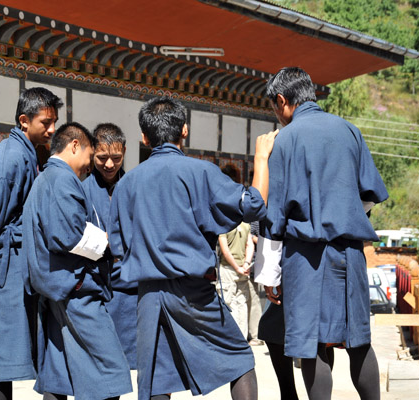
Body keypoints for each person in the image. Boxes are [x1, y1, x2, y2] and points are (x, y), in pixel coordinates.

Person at [109, 96, 278, 400]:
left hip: (147, 293)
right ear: (184, 130)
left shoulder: (126, 184)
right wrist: (262, 158)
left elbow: (117, 245)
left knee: (156, 380)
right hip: (192, 291)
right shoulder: (201, 172)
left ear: (144, 138)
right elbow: (254, 206)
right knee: (238, 358)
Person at [255, 67, 388, 400]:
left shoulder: (285, 139)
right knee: (358, 342)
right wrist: (340, 211)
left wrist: (269, 274)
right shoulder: (349, 131)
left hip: (306, 256)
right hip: (350, 253)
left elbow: (275, 214)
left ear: (282, 101)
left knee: (313, 344)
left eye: (274, 107)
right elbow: (369, 194)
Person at [22, 122, 132, 400]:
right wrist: (110, 242)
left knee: (59, 376)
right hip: (77, 290)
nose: (92, 166)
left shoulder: (46, 177)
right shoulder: (63, 179)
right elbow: (68, 236)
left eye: (115, 158)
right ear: (75, 146)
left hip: (57, 287)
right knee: (109, 371)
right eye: (92, 156)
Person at [0, 87, 63, 400]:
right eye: (45, 122)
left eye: (54, 122)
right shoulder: (9, 153)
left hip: (20, 262)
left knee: (9, 349)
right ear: (24, 120)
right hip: (6, 261)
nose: (51, 129)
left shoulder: (28, 152)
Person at [81, 123, 137, 369]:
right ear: (92, 152)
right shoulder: (81, 190)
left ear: (124, 151)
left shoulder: (135, 186)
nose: (110, 165)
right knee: (101, 367)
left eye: (116, 157)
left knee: (132, 365)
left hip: (131, 289)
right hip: (97, 286)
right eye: (102, 158)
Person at [217, 165, 259, 341]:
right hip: (242, 267)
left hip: (228, 268)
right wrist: (246, 265)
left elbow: (224, 248)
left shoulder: (223, 220)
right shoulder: (245, 221)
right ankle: (242, 342)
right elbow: (250, 243)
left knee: (227, 306)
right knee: (242, 306)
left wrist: (238, 266)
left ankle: (229, 342)